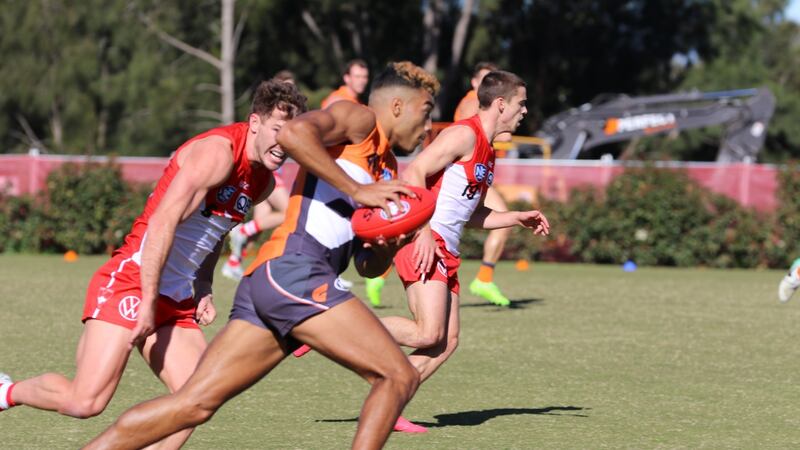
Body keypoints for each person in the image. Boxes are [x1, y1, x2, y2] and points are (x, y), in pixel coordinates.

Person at [83, 61, 439, 450]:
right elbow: (293, 133)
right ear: (398, 106)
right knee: (398, 375)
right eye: (426, 112)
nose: (428, 127)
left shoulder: (386, 169)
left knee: (193, 404)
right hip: (296, 269)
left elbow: (366, 267)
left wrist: (388, 248)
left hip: (273, 283)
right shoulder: (361, 120)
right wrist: (358, 190)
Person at [0, 80, 307, 448]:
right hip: (133, 281)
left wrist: (203, 286)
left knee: (196, 401)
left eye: (291, 133)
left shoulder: (262, 180)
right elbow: (163, 222)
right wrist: (147, 299)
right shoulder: (218, 154)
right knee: (85, 402)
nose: (284, 143)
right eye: (278, 130)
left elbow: (215, 230)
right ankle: (6, 392)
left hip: (175, 297)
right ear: (255, 122)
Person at [381, 70, 550, 432]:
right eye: (521, 104)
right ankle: (330, 325)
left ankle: (386, 406)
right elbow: (414, 172)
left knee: (446, 342)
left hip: (446, 245)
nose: (525, 111)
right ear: (501, 104)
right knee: (428, 333)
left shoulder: (488, 150)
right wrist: (424, 232)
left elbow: (469, 215)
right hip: (426, 241)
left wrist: (515, 218)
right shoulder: (464, 134)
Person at [222, 71, 297, 281]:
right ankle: (243, 231)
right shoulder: (269, 115)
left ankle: (233, 263)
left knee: (261, 222)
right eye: (286, 87)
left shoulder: (290, 116)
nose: (290, 93)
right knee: (291, 212)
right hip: (268, 173)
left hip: (266, 174)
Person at [454, 61, 516, 307]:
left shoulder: (484, 104)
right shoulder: (473, 102)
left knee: (503, 221)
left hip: (476, 175)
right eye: (484, 79)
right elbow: (500, 136)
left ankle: (484, 279)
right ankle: (380, 273)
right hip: (463, 175)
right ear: (474, 82)